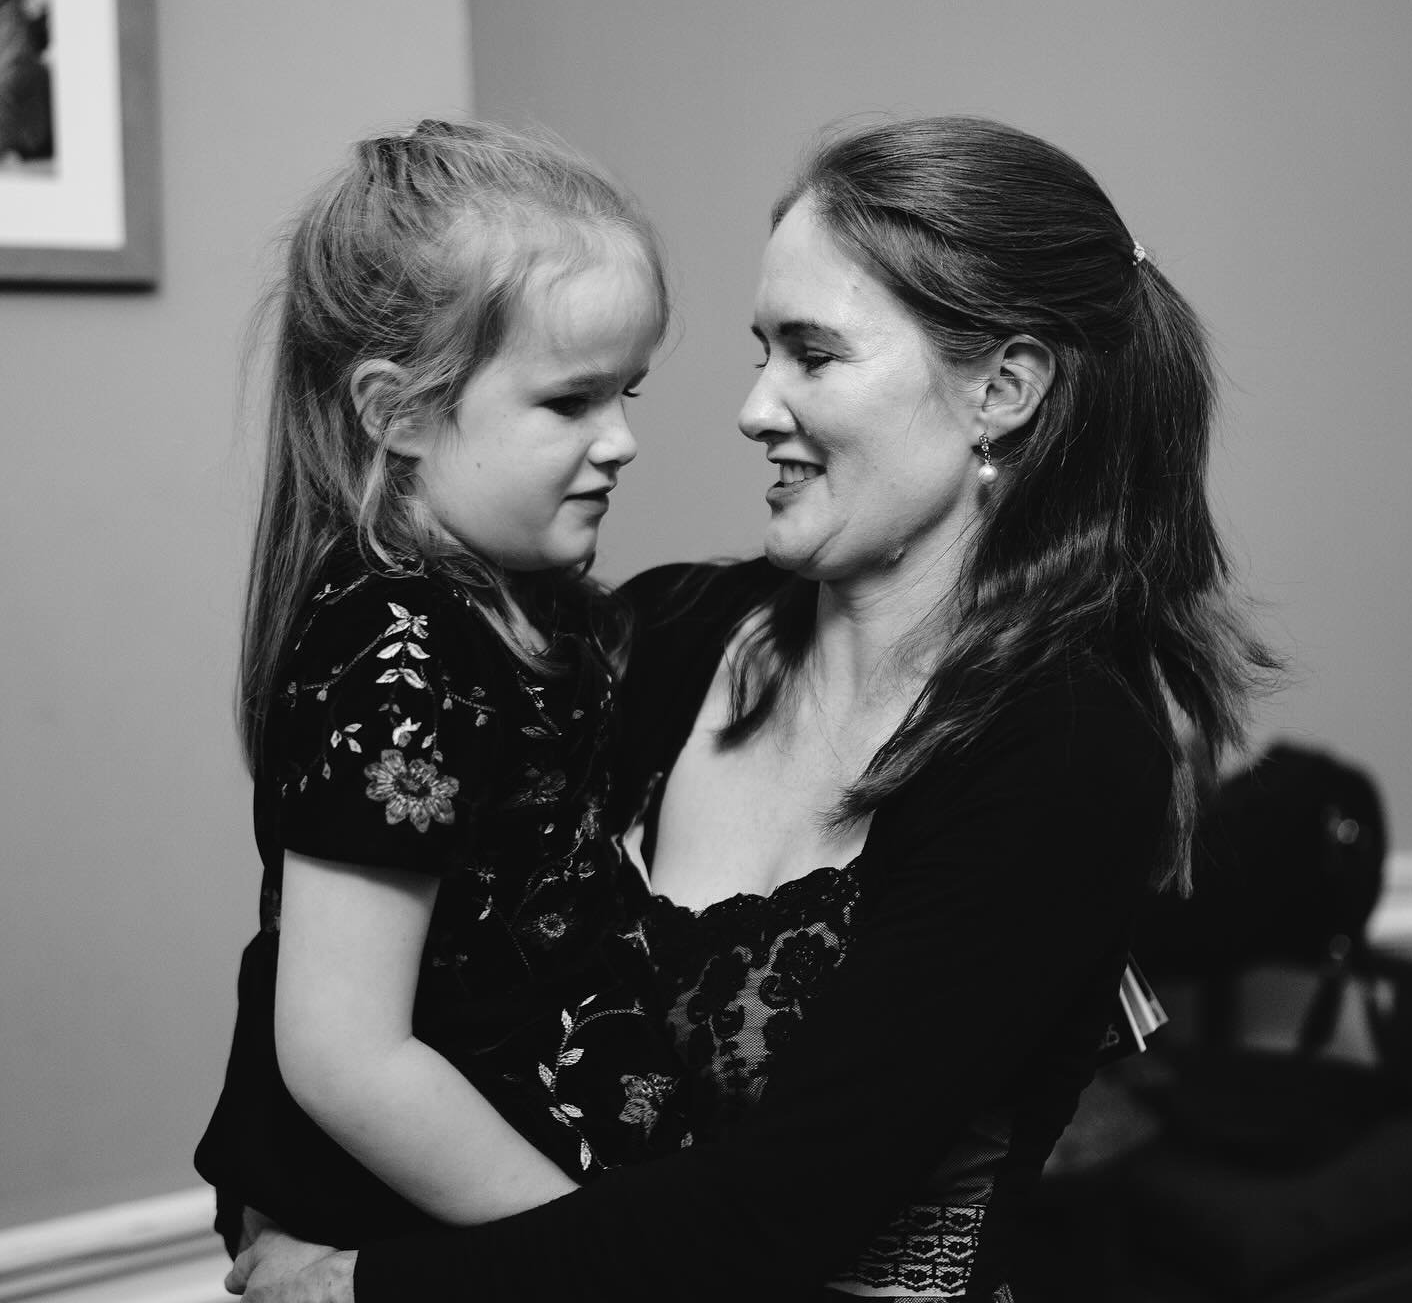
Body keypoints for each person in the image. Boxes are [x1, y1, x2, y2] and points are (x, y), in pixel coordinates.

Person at [233, 115, 1275, 1302]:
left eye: (813, 355)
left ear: (1004, 387)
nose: (753, 408)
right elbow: (375, 960)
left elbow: (776, 1223)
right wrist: (276, 1191)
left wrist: (363, 1285)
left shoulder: (1069, 753)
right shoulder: (668, 634)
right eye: (759, 350)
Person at [194, 118, 691, 1255]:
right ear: (399, 411)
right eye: (571, 403)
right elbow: (344, 1052)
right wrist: (588, 1259)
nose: (619, 441)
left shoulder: (519, 595)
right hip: (440, 1232)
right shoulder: (398, 649)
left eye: (630, 394)